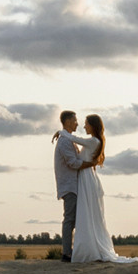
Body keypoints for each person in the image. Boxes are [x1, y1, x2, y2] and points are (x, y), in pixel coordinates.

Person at [67, 114, 138, 265]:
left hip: (86, 177)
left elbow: (74, 139)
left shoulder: (93, 141)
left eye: (86, 124)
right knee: (88, 212)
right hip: (86, 176)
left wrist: (60, 132)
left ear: (93, 126)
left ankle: (89, 250)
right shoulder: (95, 141)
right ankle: (89, 248)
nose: (84, 126)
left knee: (86, 211)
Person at [51, 110, 92, 261]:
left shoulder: (68, 139)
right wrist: (91, 163)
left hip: (72, 184)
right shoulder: (65, 141)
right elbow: (73, 163)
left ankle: (70, 251)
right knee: (69, 219)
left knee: (72, 218)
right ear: (68, 121)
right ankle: (67, 253)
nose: (77, 124)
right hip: (69, 185)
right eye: (75, 121)